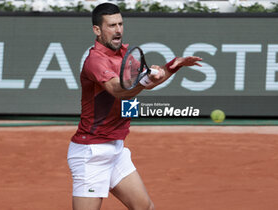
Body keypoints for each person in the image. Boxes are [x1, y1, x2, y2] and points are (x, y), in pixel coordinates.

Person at [67, 3, 202, 210]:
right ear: (97, 30)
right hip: (91, 153)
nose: (118, 29)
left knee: (145, 207)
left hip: (116, 149)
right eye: (111, 25)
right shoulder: (95, 61)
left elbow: (146, 82)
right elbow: (119, 90)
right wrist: (145, 79)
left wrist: (172, 66)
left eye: (120, 24)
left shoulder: (124, 55)